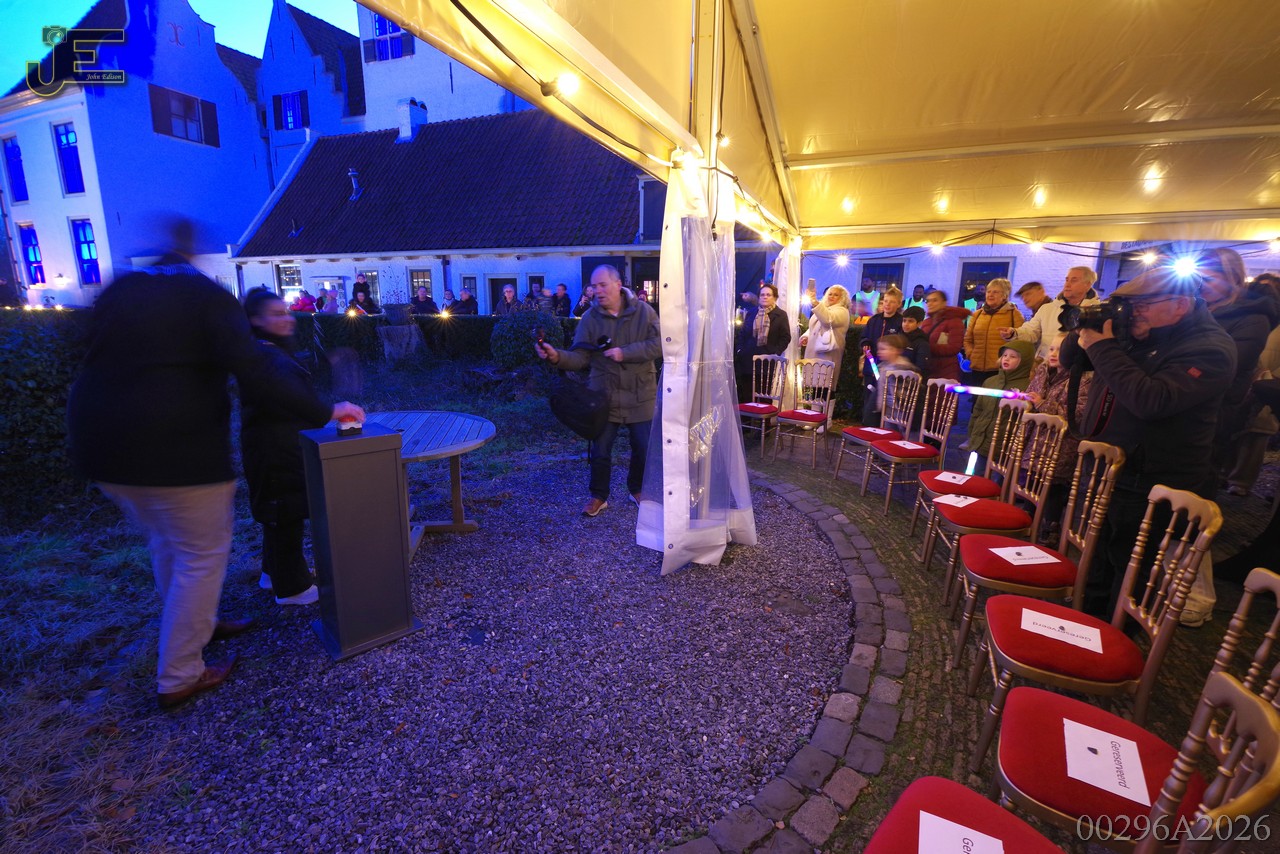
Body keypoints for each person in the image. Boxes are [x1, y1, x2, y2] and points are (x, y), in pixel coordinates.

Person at [65, 220, 362, 709]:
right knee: (201, 555)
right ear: (193, 254)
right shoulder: (206, 297)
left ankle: (195, 625)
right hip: (173, 447)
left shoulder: (123, 289)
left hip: (99, 443)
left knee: (168, 543)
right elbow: (257, 368)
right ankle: (180, 673)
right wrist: (327, 411)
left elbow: (82, 346)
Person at [1061, 266, 1236, 620]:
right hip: (1108, 466)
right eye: (1128, 305)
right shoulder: (1139, 334)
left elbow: (1152, 401)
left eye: (1142, 305)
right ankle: (1085, 624)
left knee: (1130, 568)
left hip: (1151, 476)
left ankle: (1113, 639)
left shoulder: (1210, 348)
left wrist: (1105, 346)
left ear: (1180, 304)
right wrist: (1087, 327)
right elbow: (1070, 360)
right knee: (1096, 556)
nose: (1133, 313)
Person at [240, 289, 364, 606]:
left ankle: (272, 574)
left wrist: (328, 363)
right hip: (274, 449)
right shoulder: (266, 357)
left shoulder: (262, 351)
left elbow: (294, 383)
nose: (286, 319)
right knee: (285, 515)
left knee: (280, 515)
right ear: (256, 320)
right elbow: (293, 397)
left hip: (272, 446)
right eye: (276, 314)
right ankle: (292, 589)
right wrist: (336, 410)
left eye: (285, 312)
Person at [536, 265, 660, 516]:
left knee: (643, 447)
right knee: (600, 449)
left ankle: (637, 489)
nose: (597, 290)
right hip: (604, 396)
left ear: (618, 284)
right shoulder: (590, 319)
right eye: (594, 286)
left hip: (640, 393)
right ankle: (598, 496)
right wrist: (556, 356)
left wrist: (625, 352)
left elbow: (660, 345)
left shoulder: (644, 312)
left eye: (603, 285)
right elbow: (581, 357)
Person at [1024, 332, 1093, 536]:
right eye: (1051, 349)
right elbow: (1032, 396)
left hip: (1061, 446)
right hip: (1036, 440)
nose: (1053, 354)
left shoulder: (1082, 381)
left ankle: (1050, 528)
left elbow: (1077, 415)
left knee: (1054, 489)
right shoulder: (1044, 373)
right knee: (1031, 483)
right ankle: (1027, 520)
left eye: (1060, 350)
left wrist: (1043, 404)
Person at [1226, 273, 1280, 497]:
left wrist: (1272, 377)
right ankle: (1225, 473)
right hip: (1244, 379)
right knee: (1234, 429)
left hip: (1269, 384)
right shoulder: (1245, 318)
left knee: (1256, 434)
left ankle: (1241, 481)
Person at [1000, 266, 1099, 361]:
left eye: (1074, 280)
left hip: (1078, 368)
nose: (1067, 284)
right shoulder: (1047, 309)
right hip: (1047, 365)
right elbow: (1031, 331)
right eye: (1067, 280)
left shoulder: (1096, 312)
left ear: (1088, 285)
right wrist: (1014, 333)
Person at [962, 340, 1035, 455]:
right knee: (977, 465)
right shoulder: (990, 382)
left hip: (1004, 446)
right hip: (980, 439)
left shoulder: (1028, 387)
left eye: (1013, 357)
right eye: (1004, 355)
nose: (1006, 359)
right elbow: (978, 410)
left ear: (1024, 361)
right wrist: (972, 433)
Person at [734, 283, 791, 404]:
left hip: (767, 361)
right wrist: (740, 350)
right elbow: (743, 334)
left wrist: (775, 352)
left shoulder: (781, 315)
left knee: (764, 397)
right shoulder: (752, 312)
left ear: (774, 298)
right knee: (747, 396)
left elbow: (785, 337)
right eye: (762, 295)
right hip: (748, 360)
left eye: (768, 295)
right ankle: (748, 416)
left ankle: (764, 416)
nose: (765, 297)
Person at [963, 278, 1024, 386]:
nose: (990, 295)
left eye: (995, 292)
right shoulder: (977, 314)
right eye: (989, 291)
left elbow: (1021, 341)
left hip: (1000, 370)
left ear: (1004, 295)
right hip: (977, 369)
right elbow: (968, 339)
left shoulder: (1014, 314)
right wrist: (971, 354)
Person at [856, 286, 903, 426]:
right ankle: (867, 426)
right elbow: (864, 336)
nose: (887, 304)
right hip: (871, 365)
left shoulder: (900, 322)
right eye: (885, 301)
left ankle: (884, 427)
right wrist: (865, 343)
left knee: (887, 399)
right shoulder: (874, 320)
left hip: (889, 369)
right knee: (869, 397)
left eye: (892, 302)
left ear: (898, 304)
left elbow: (900, 343)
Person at [801, 283, 852, 394]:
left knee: (824, 389)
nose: (832, 296)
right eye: (830, 294)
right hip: (814, 354)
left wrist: (814, 301)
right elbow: (814, 327)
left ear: (842, 298)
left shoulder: (842, 311)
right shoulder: (824, 308)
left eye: (836, 295)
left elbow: (827, 320)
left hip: (827, 355)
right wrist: (806, 336)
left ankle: (825, 406)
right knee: (812, 389)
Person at [921, 289, 970, 380]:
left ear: (944, 303)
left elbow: (954, 347)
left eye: (935, 300)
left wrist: (927, 347)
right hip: (928, 369)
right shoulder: (926, 322)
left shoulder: (954, 321)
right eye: (928, 301)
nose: (930, 304)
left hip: (946, 370)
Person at [901, 305, 931, 374]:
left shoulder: (922, 343)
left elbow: (921, 368)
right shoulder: (898, 337)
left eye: (910, 321)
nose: (906, 324)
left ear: (919, 323)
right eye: (904, 320)